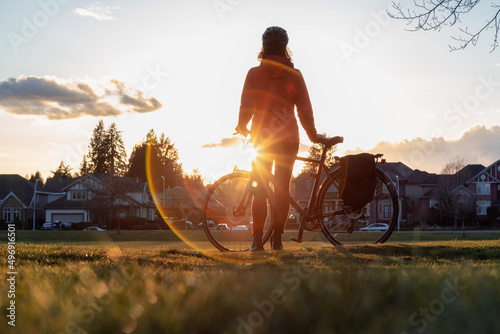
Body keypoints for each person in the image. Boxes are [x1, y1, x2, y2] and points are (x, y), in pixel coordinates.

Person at [235, 26, 324, 251]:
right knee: (282, 189)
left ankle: (257, 241)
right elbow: (305, 109)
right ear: (286, 49)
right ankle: (277, 240)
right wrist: (312, 135)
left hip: (263, 141)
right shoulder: (295, 75)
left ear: (263, 48)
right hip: (288, 139)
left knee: (259, 191)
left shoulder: (254, 74)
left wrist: (241, 125)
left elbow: (247, 104)